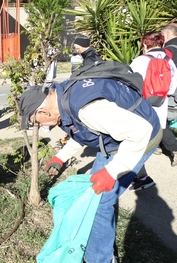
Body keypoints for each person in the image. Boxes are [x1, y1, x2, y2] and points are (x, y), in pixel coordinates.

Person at [19, 79, 162, 262]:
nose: (39, 125)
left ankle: (100, 259)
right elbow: (86, 130)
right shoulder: (63, 99)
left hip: (142, 138)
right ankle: (98, 246)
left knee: (100, 202)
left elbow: (140, 131)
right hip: (112, 140)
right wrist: (61, 157)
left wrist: (112, 172)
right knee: (95, 193)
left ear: (42, 111)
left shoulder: (87, 109)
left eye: (36, 122)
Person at [130, 32, 177, 190]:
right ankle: (140, 175)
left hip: (141, 108)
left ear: (144, 44)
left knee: (135, 143)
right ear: (162, 44)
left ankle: (141, 176)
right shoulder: (169, 61)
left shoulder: (139, 61)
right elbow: (171, 89)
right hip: (161, 107)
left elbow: (130, 85)